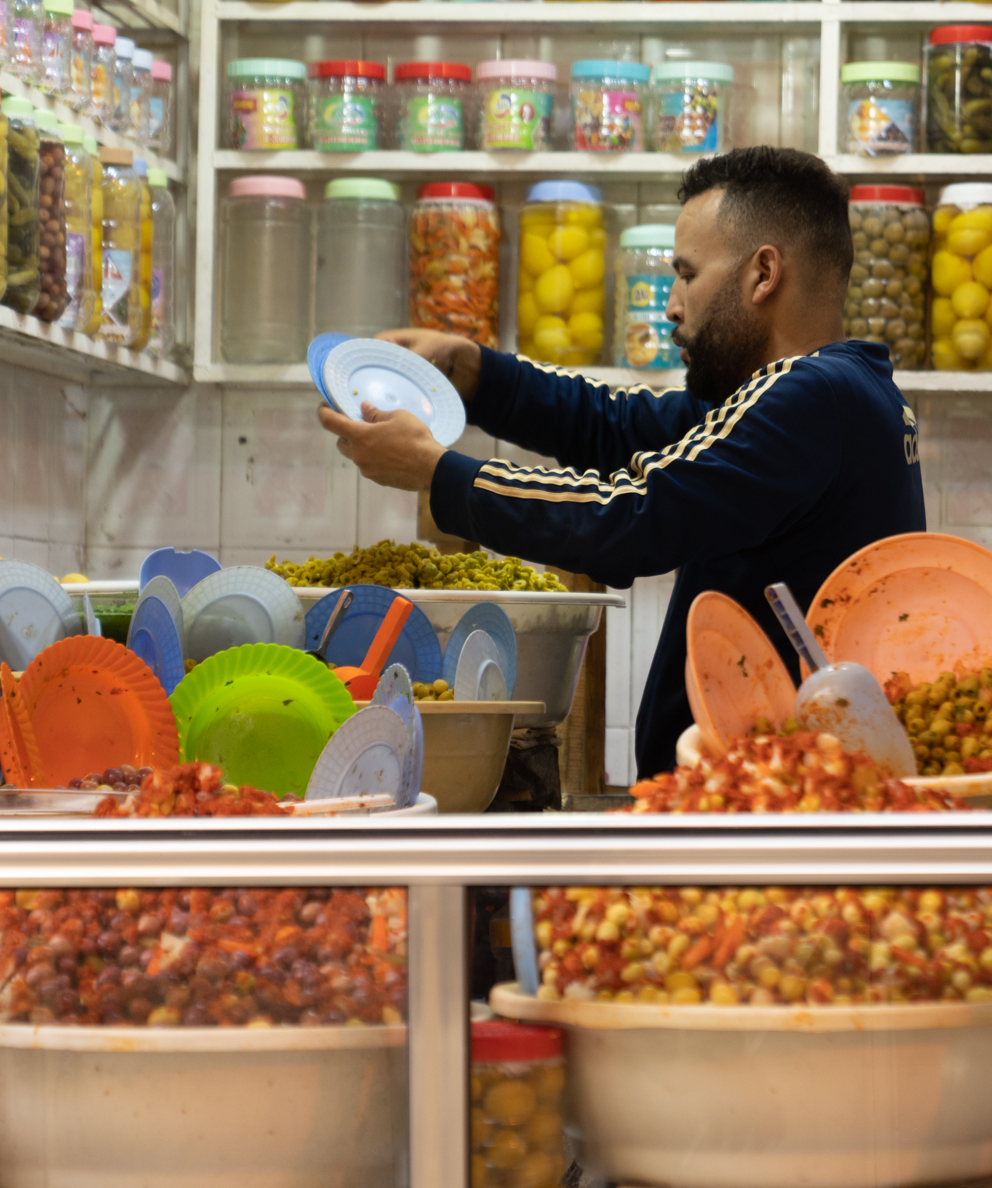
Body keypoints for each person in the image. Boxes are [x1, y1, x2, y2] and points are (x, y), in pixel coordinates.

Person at [319, 146, 925, 777]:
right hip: (763, 795)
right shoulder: (838, 393)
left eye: (687, 274)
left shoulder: (812, 399)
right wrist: (476, 374)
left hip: (767, 813)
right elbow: (621, 425)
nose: (671, 305)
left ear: (763, 273)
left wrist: (439, 473)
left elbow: (632, 516)